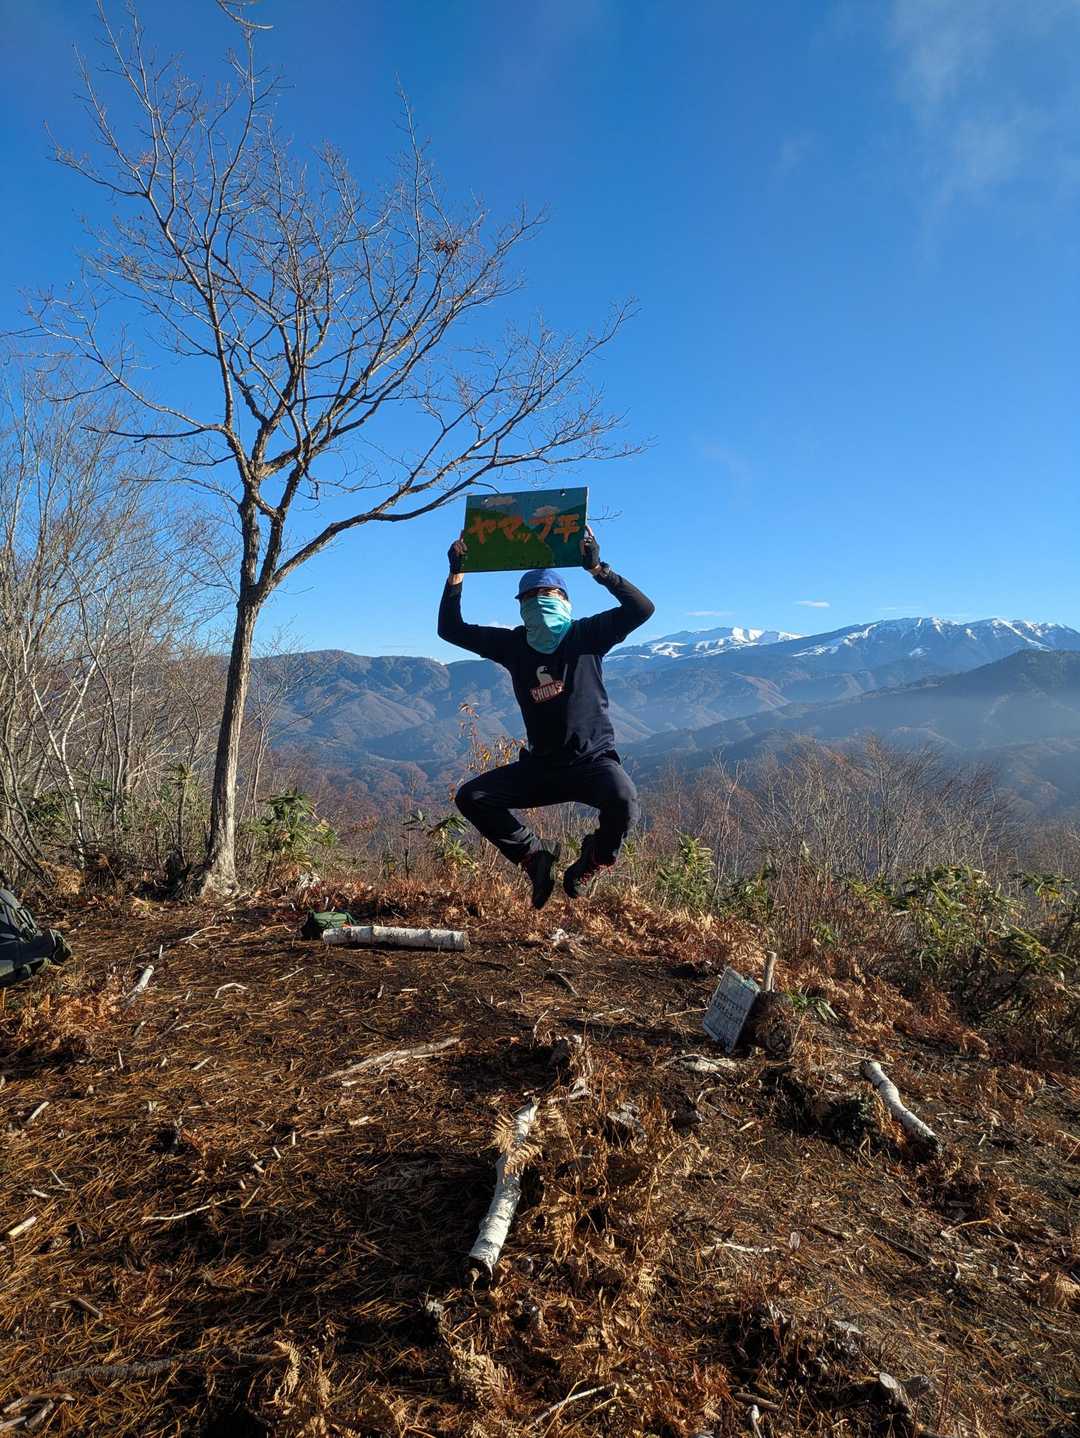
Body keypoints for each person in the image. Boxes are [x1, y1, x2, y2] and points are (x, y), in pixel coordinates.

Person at [438, 526, 655, 908]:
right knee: (473, 797)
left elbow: (642, 609)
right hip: (541, 768)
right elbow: (450, 630)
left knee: (624, 802)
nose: (538, 601)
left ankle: (593, 860)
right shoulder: (514, 644)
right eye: (529, 597)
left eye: (548, 594)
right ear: (520, 606)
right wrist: (456, 573)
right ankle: (534, 857)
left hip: (592, 763)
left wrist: (599, 570)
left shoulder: (587, 635)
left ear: (565, 601)